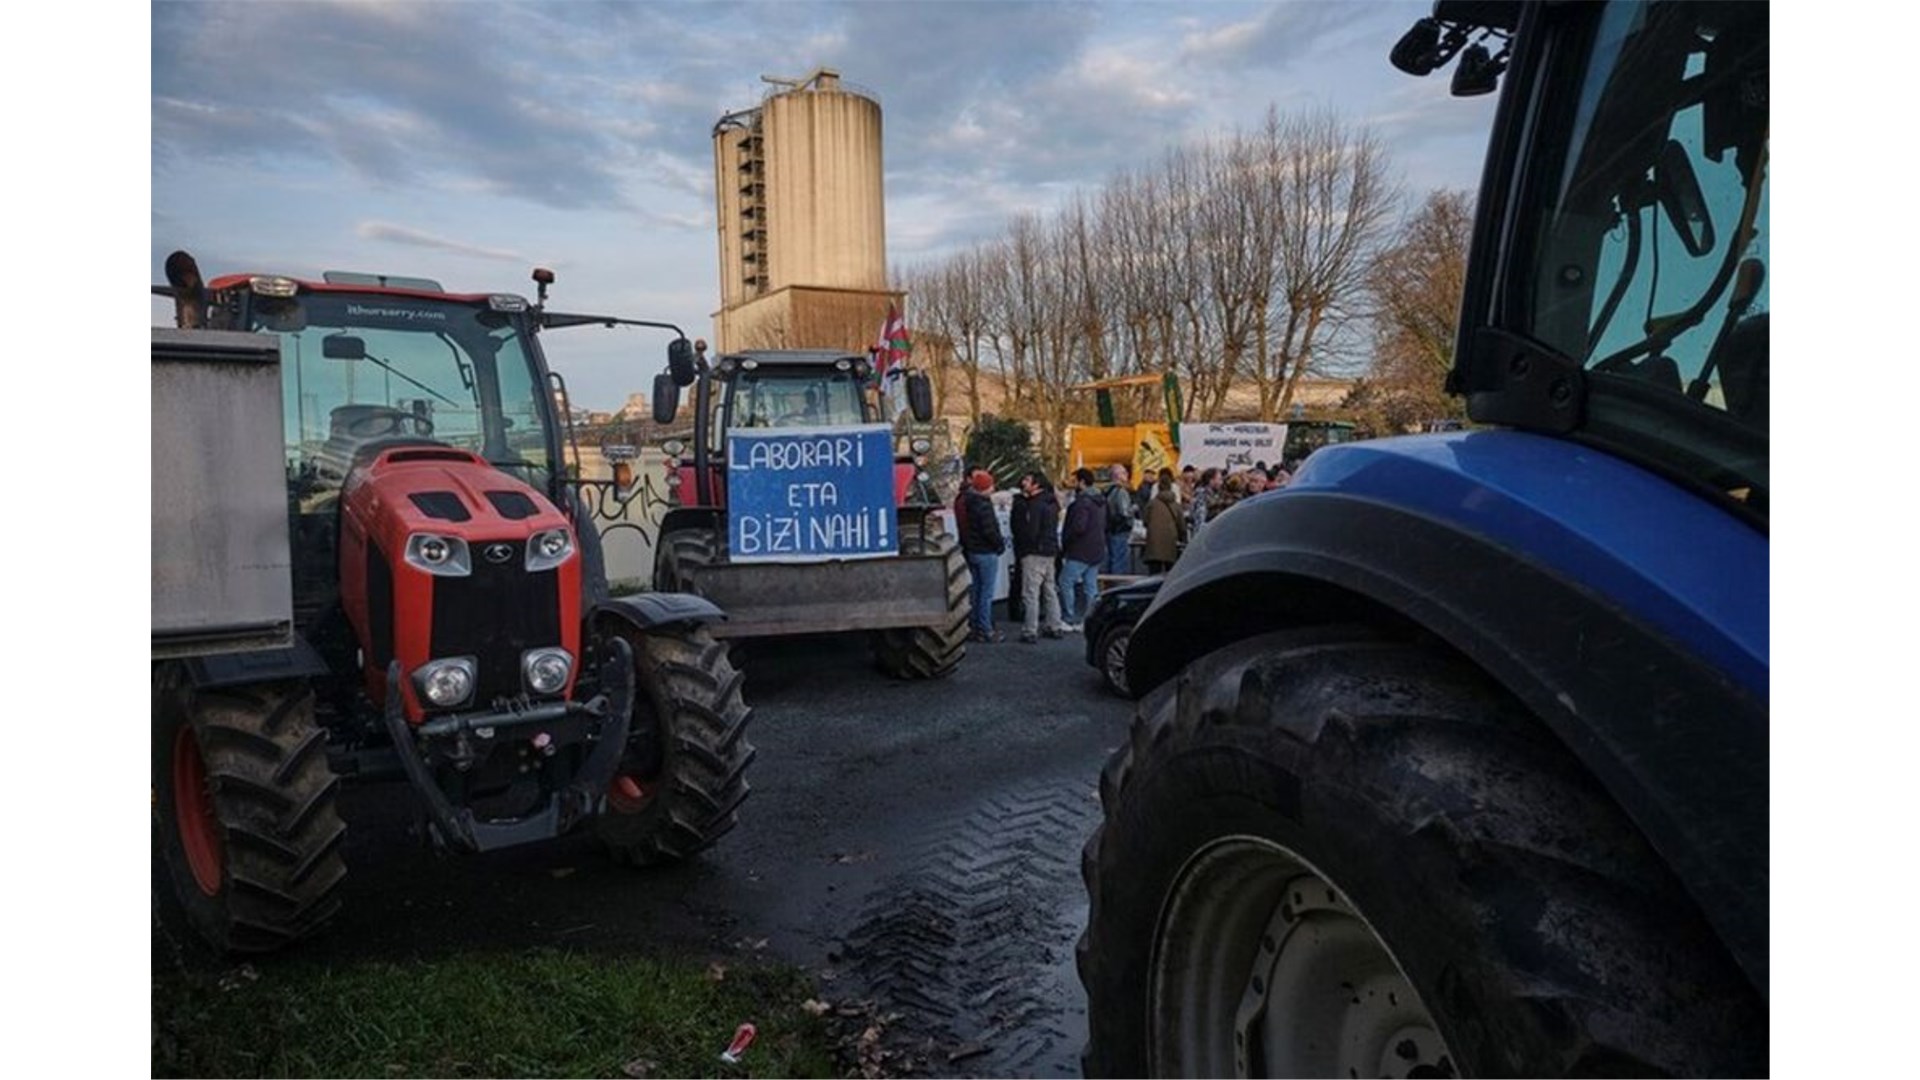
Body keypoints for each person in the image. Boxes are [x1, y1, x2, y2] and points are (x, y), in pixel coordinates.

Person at [1009, 470, 1067, 643]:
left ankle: (1030, 630)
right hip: (1050, 550)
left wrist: (1024, 547)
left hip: (1034, 552)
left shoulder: (1034, 504)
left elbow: (1031, 530)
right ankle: (1054, 625)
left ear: (1036, 484)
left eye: (1027, 480)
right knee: (1050, 590)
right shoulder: (1051, 502)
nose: (1023, 482)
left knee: (1030, 593)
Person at [957, 468, 1006, 643]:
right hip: (986, 552)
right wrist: (999, 545)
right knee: (986, 593)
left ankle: (975, 625)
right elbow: (989, 530)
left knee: (977, 590)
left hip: (973, 550)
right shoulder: (983, 505)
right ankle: (985, 629)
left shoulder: (967, 502)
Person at [1058, 467, 1107, 631]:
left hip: (1080, 550)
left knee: (1065, 582)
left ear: (1082, 482)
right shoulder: (1099, 500)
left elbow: (1078, 527)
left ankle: (1069, 618)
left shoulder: (1082, 503)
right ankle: (1089, 620)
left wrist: (1067, 542)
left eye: (1075, 481)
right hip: (1097, 548)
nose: (1072, 485)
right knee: (1090, 586)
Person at [1142, 472, 1187, 575]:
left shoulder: (1151, 504)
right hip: (1170, 542)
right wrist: (1183, 539)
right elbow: (1182, 526)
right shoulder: (1176, 505)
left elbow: (1145, 521)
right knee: (1169, 576)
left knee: (1153, 576)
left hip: (1153, 544)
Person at [1104, 463, 1136, 576]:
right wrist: (1133, 510)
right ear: (1117, 475)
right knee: (1120, 561)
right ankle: (1118, 588)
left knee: (1112, 559)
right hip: (1121, 530)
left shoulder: (1108, 491)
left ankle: (1110, 587)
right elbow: (1125, 512)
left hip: (1110, 529)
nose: (1127, 474)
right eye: (1124, 472)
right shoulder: (1121, 492)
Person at [1189, 467, 1220, 534]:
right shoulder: (1202, 495)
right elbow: (1200, 519)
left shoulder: (1214, 494)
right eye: (1219, 479)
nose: (1221, 482)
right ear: (1211, 481)